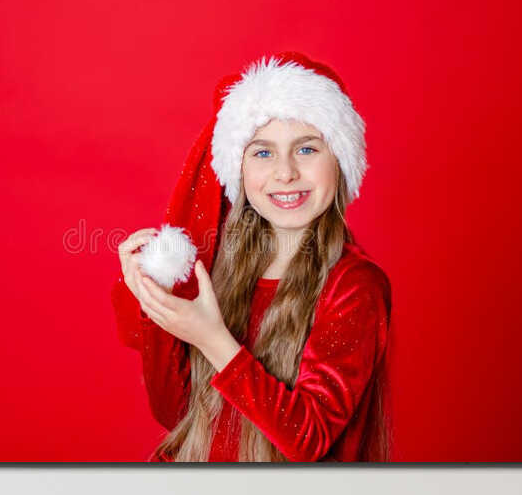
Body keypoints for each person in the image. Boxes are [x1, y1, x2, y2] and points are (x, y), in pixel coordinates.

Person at [112, 54, 391, 462]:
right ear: (238, 168)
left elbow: (308, 439)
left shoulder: (354, 285)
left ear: (341, 161)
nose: (285, 172)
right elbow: (174, 413)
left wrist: (213, 339)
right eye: (263, 153)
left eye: (307, 149)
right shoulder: (223, 272)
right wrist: (157, 307)